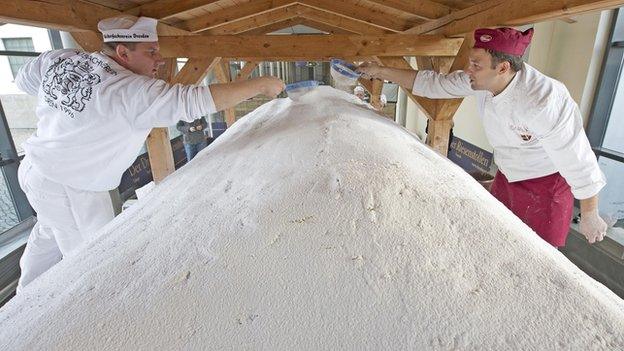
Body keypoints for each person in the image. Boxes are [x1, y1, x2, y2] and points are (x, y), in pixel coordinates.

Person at [14, 15, 284, 292]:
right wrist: (260, 85)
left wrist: (72, 96)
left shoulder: (64, 58)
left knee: (48, 232)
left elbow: (24, 78)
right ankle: (89, 317)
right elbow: (191, 101)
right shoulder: (130, 90)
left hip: (36, 171)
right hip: (72, 188)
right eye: (151, 52)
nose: (160, 60)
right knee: (88, 263)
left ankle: (22, 298)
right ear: (122, 53)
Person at [358, 27, 607, 248]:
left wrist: (589, 213)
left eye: (476, 65)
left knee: (538, 252)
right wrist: (380, 70)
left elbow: (577, 157)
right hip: (508, 172)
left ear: (503, 68)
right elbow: (433, 84)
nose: (468, 69)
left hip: (546, 182)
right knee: (501, 237)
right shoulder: (480, 80)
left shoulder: (544, 100)